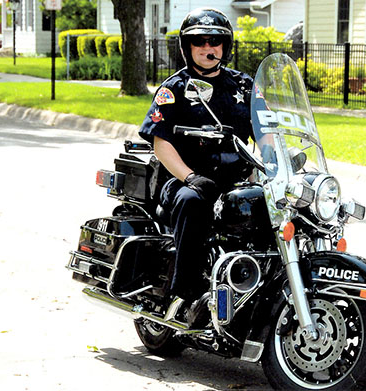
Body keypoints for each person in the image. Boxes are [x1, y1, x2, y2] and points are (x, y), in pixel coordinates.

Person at [138, 8, 254, 327]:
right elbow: (160, 142)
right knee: (193, 202)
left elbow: (268, 132)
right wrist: (190, 177)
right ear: (187, 47)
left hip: (234, 180)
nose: (208, 48)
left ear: (224, 46)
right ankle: (184, 295)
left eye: (215, 41)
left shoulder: (243, 86)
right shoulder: (174, 88)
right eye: (199, 42)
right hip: (183, 179)